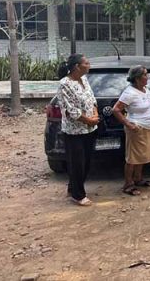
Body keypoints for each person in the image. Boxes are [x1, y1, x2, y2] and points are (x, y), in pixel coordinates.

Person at [56, 54, 99, 206]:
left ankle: (73, 187)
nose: (89, 65)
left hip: (90, 129)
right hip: (75, 131)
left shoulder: (84, 80)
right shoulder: (65, 84)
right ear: (77, 67)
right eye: (86, 63)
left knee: (86, 162)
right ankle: (78, 195)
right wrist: (89, 120)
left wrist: (95, 114)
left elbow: (92, 99)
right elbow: (70, 111)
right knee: (77, 163)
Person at [112, 66, 150, 196]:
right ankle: (128, 184)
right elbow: (116, 110)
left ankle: (138, 178)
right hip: (137, 128)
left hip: (147, 127)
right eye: (145, 75)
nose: (147, 77)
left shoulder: (144, 89)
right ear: (137, 78)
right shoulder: (129, 93)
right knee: (132, 157)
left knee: (141, 155)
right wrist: (128, 124)